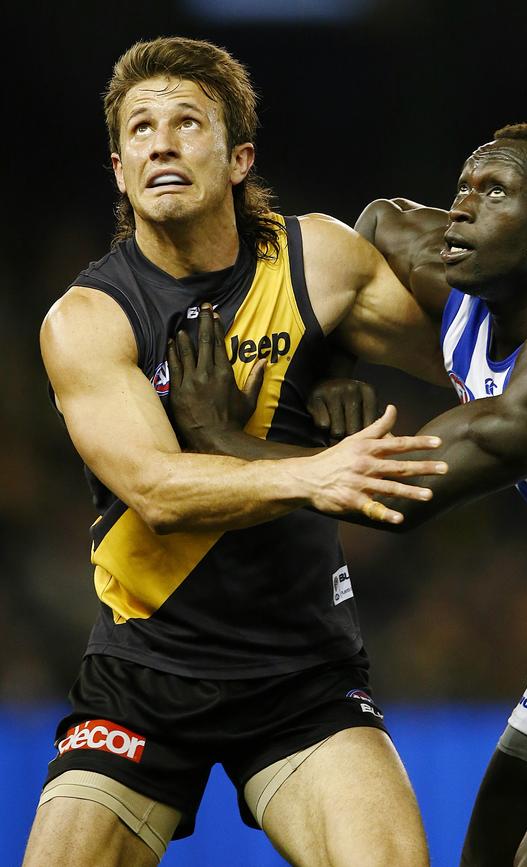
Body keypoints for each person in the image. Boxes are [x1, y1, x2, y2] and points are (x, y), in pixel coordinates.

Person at [23, 36, 451, 867]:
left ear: (238, 157)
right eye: (140, 129)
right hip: (145, 673)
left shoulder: (317, 262)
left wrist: (342, 357)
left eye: (188, 122)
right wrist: (318, 470)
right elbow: (157, 489)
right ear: (119, 170)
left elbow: (469, 365)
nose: (162, 142)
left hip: (304, 673)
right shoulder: (86, 320)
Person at [182, 123, 527, 865]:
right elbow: (373, 223)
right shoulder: (455, 255)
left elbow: (405, 496)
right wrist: (335, 362)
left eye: (494, 193)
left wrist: (218, 439)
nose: (461, 209)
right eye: (465, 185)